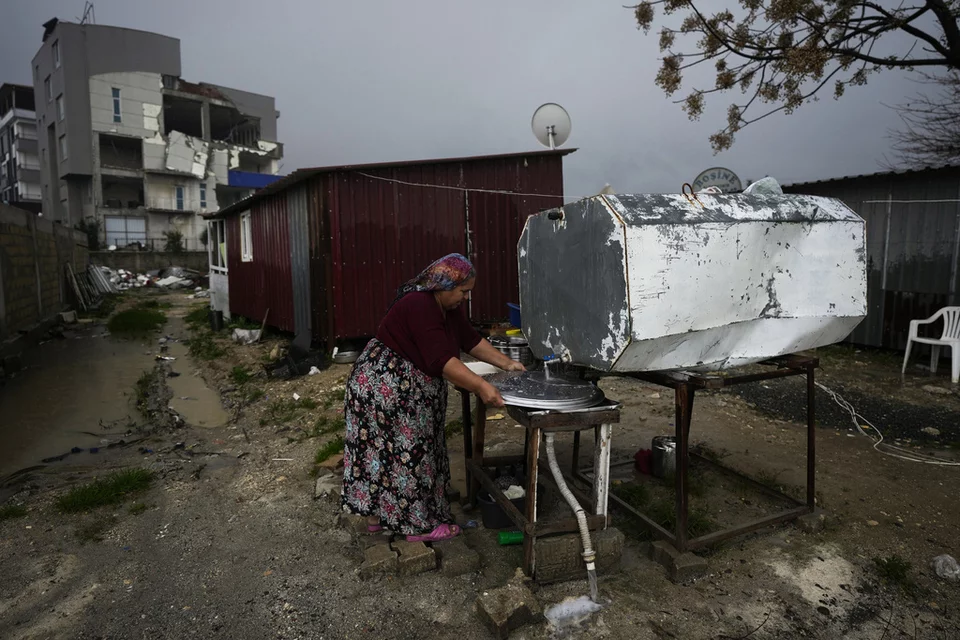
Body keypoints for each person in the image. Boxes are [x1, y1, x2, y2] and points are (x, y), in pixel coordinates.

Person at [340, 253, 526, 542]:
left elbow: (470, 340)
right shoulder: (419, 305)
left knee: (385, 453)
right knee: (406, 453)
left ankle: (379, 517)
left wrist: (507, 363)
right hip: (385, 387)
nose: (465, 298)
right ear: (443, 284)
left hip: (394, 386)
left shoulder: (445, 308)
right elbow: (442, 360)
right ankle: (418, 527)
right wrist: (481, 386)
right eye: (463, 291)